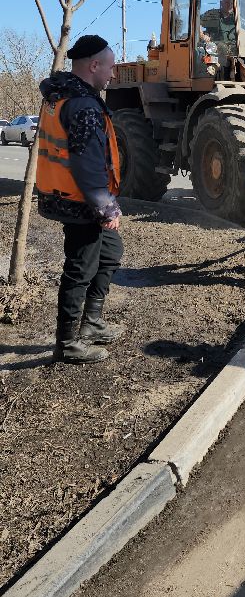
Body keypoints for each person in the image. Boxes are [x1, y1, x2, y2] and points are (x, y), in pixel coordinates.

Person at [36, 34, 124, 364]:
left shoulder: (61, 96)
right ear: (94, 66)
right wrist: (106, 208)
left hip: (65, 194)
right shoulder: (83, 106)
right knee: (79, 269)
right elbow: (87, 165)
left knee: (110, 252)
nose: (113, 74)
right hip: (78, 200)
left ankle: (92, 323)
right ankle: (67, 344)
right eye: (110, 67)